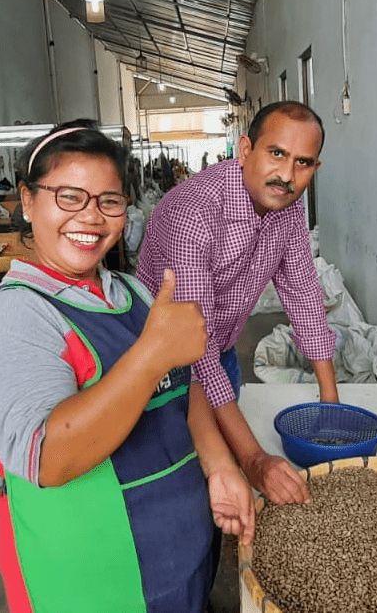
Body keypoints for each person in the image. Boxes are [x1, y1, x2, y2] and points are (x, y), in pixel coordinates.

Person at [0, 124, 253, 612]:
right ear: (28, 202)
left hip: (184, 557)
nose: (90, 217)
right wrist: (153, 352)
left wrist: (219, 466)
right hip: (96, 579)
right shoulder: (15, 318)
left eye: (109, 201)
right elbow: (48, 458)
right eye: (69, 196)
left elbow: (186, 386)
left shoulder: (133, 294)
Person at [137, 100, 338, 506]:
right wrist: (254, 460)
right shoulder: (194, 211)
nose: (286, 175)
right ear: (245, 150)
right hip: (160, 372)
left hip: (220, 354)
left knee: (226, 486)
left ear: (315, 169)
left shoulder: (288, 207)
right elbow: (197, 347)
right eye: (276, 153)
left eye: (303, 162)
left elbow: (302, 294)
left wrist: (331, 404)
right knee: (183, 484)